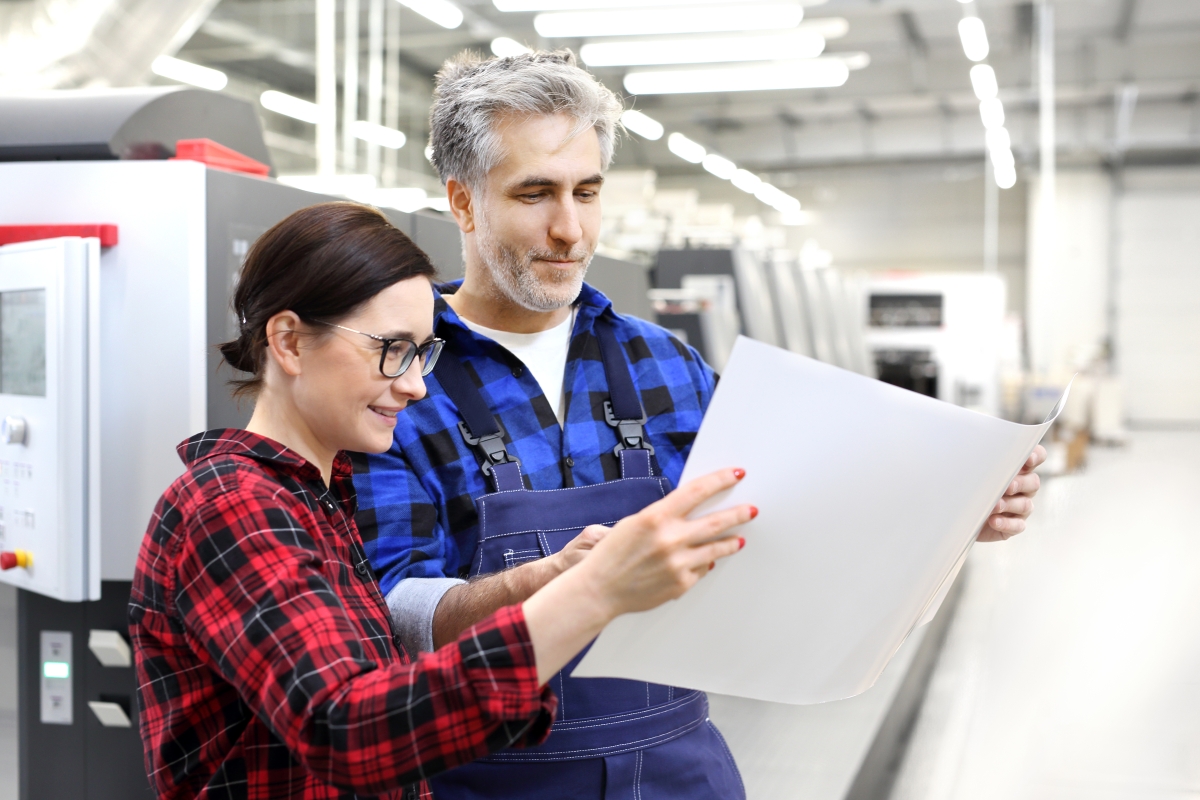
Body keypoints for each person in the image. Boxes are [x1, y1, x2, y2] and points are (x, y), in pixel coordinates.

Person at [352, 50, 1048, 799]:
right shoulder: (400, 380)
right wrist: (551, 584)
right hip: (487, 778)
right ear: (463, 201)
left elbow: (787, 521)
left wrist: (948, 508)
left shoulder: (665, 366)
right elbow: (390, 616)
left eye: (588, 192)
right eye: (535, 194)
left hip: (681, 771)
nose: (570, 229)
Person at [127, 202, 754, 800]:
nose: (416, 385)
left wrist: (555, 573)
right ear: (289, 342)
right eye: (391, 350)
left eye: (422, 353)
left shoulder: (320, 497)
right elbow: (348, 726)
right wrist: (590, 594)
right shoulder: (232, 506)